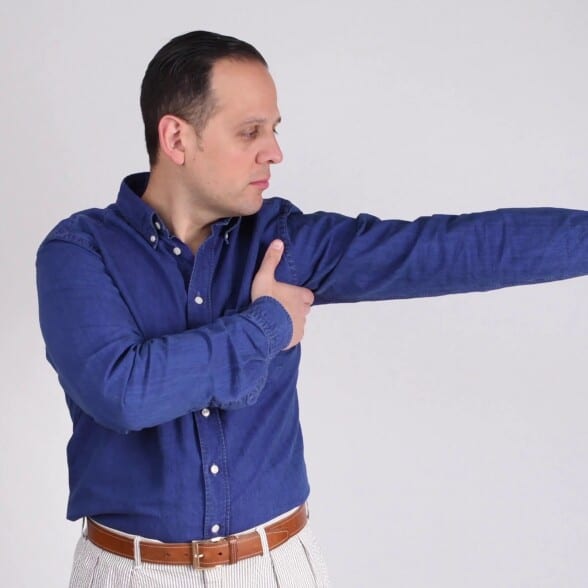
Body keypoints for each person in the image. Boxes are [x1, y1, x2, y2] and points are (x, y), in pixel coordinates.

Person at [36, 30, 588, 587]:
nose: (273, 151)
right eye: (250, 132)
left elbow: (451, 249)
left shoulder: (283, 241)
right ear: (177, 138)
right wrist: (266, 327)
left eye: (273, 130)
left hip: (276, 569)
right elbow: (125, 392)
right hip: (129, 574)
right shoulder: (79, 253)